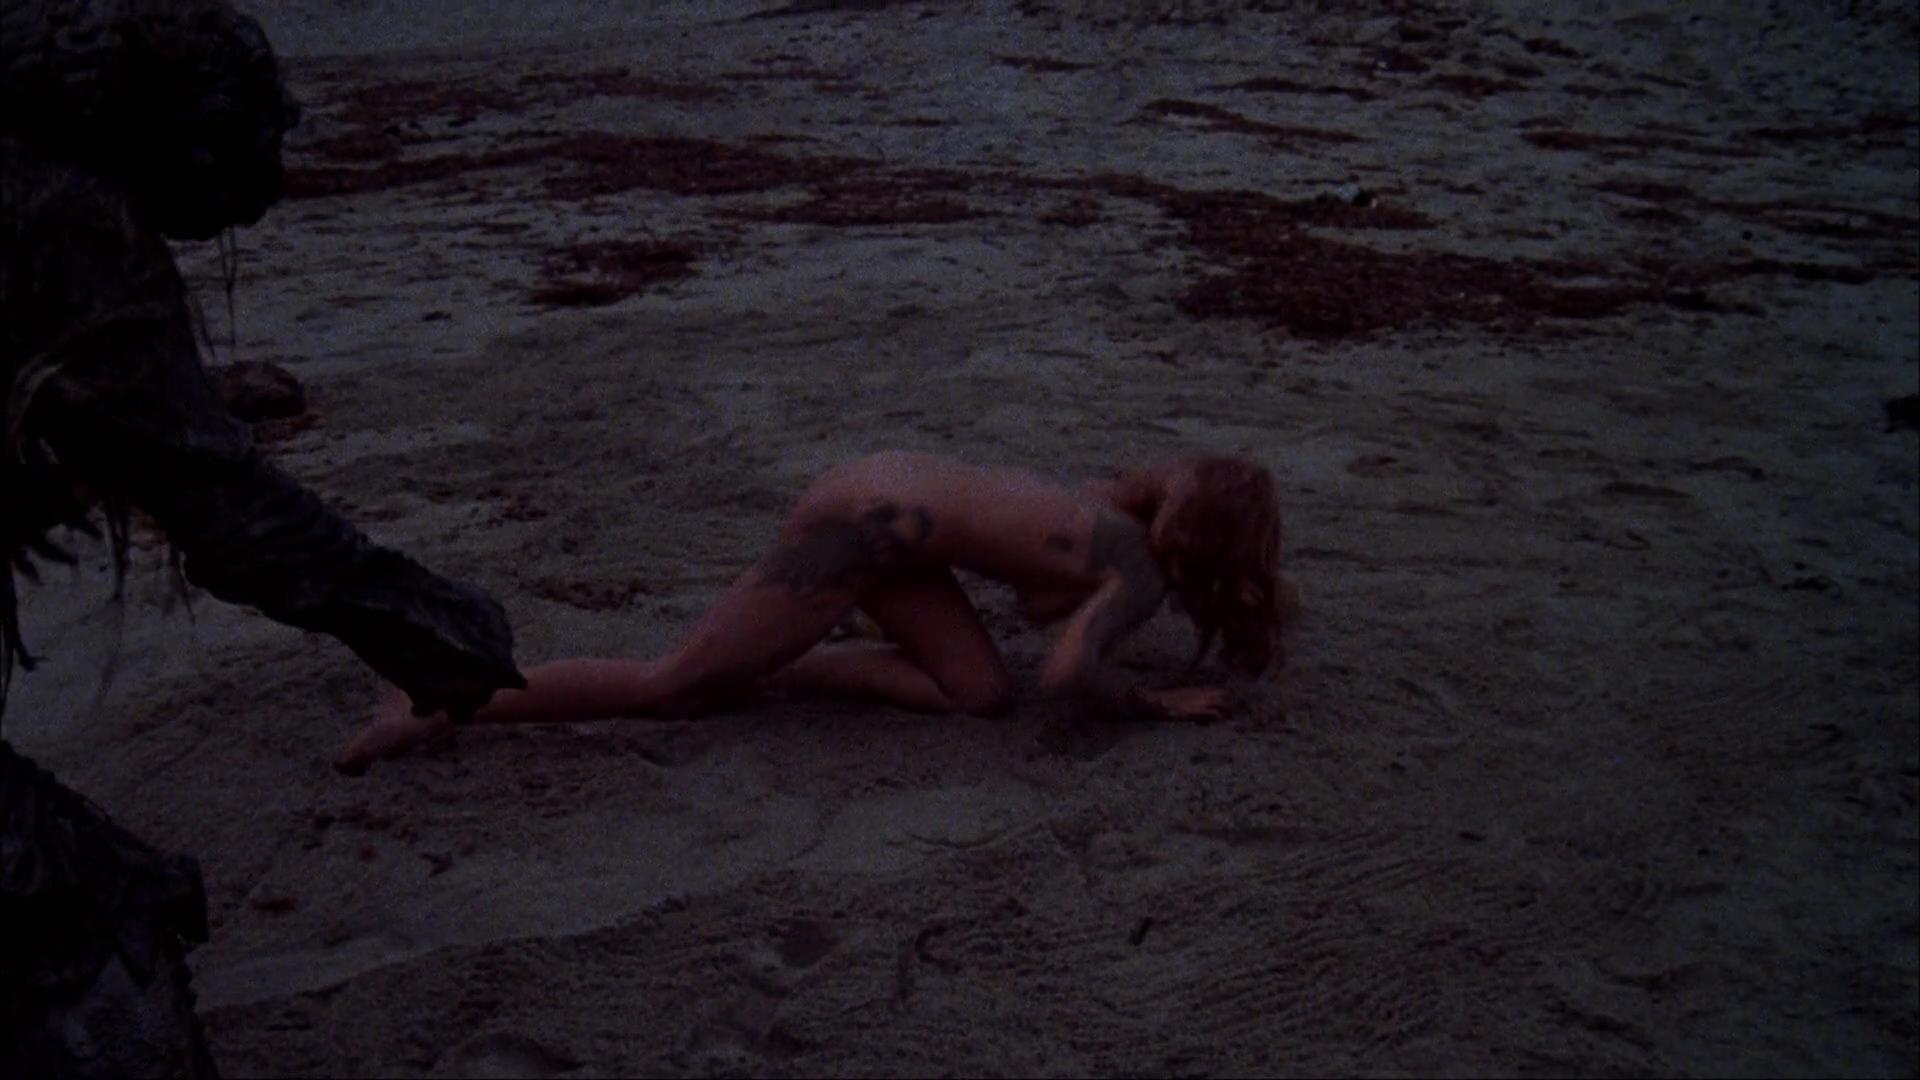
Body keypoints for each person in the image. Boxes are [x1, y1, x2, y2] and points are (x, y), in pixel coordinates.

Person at [339, 449, 1298, 772]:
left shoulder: (1113, 508)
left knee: (978, 691)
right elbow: (1067, 673)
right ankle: (436, 700)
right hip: (864, 531)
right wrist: (1153, 701)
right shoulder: (1139, 571)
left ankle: (790, 660)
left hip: (890, 515)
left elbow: (1032, 583)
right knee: (672, 687)